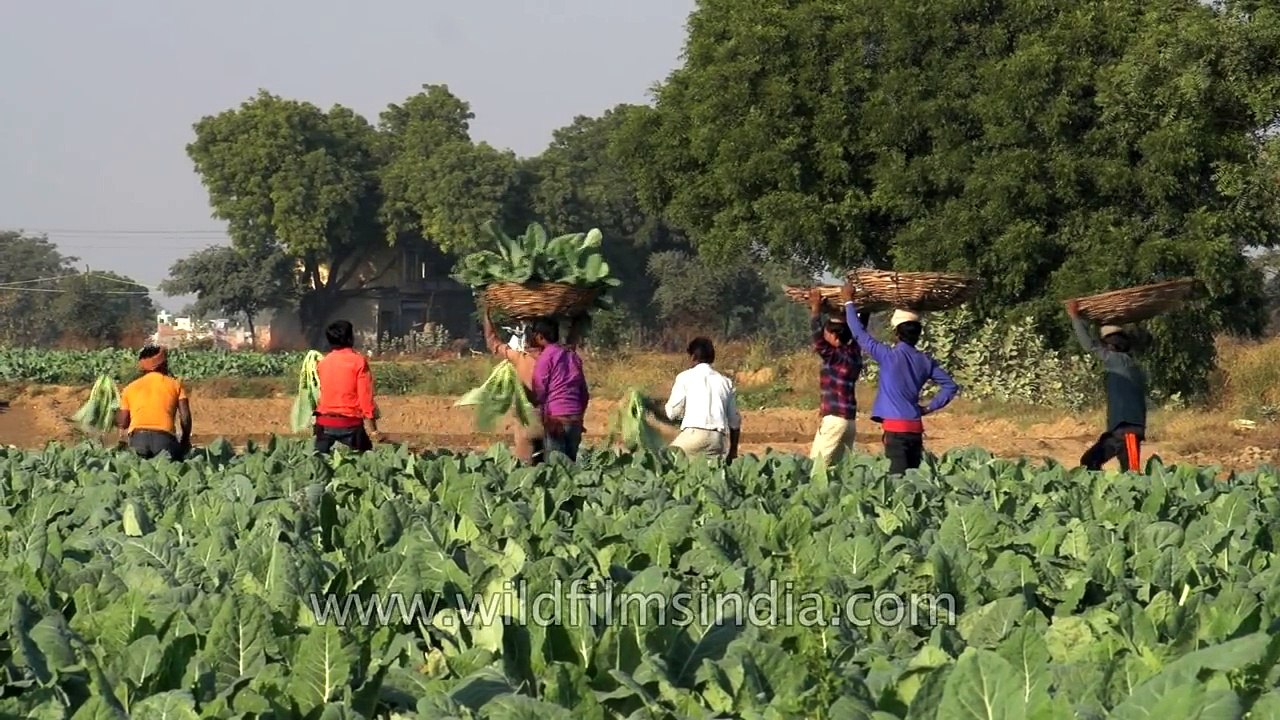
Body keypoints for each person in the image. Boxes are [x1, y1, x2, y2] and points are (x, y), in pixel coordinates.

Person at [841, 282, 959, 475]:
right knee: (913, 479)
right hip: (915, 428)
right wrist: (928, 408)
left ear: (896, 333)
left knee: (898, 481)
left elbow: (859, 335)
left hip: (895, 429)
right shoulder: (925, 361)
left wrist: (848, 301)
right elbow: (950, 386)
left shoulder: (888, 356)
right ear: (918, 335)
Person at [1065, 300, 1147, 472]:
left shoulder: (1116, 360)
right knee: (1089, 461)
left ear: (1110, 345)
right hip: (1117, 432)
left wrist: (1075, 318)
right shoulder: (1130, 363)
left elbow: (1089, 345)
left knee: (1132, 474)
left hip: (1128, 431)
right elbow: (1143, 340)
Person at [807, 288, 868, 467]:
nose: (824, 337)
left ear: (833, 335)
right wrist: (865, 309)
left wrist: (815, 309)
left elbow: (817, 337)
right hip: (849, 422)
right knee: (838, 468)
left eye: (826, 333)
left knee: (816, 467)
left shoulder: (834, 355)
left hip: (835, 420)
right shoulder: (854, 353)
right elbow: (860, 330)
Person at [660, 337, 742, 460]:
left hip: (694, 436)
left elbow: (672, 413)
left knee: (667, 460)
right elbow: (734, 422)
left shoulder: (685, 377)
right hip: (717, 439)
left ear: (692, 357)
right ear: (712, 358)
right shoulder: (725, 382)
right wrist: (733, 450)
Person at [312, 320, 382, 453]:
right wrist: (373, 431)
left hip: (323, 423)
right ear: (350, 338)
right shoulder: (358, 362)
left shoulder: (323, 363)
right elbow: (365, 399)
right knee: (366, 461)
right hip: (350, 425)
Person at [527, 316, 590, 461]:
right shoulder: (572, 356)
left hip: (556, 420)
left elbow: (539, 388)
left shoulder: (545, 357)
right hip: (575, 419)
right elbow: (584, 394)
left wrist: (537, 404)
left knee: (556, 468)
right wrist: (579, 417)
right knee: (571, 465)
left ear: (539, 336)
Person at [115, 346, 192, 460]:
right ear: (161, 365)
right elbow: (185, 417)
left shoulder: (129, 388)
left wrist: (114, 415)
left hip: (137, 439)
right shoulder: (175, 384)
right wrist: (185, 440)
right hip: (164, 438)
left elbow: (123, 423)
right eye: (165, 363)